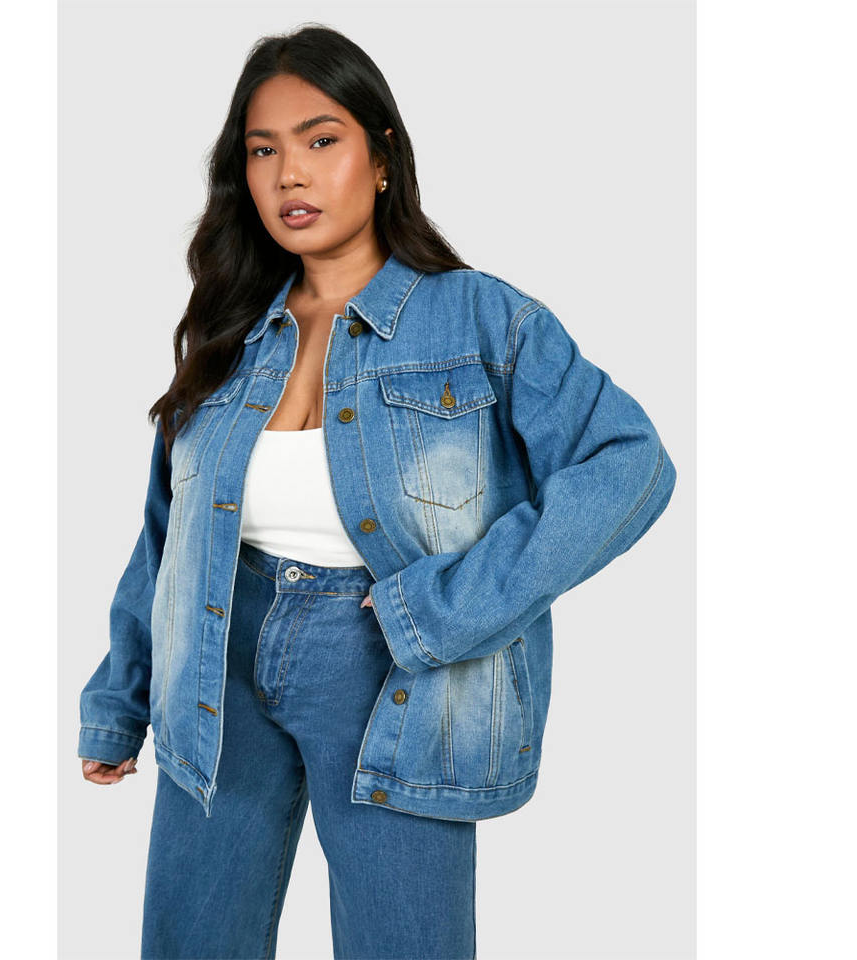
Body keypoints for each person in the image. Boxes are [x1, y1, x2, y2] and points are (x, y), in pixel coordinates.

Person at [76, 23, 677, 960]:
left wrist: (447, 607)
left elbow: (629, 463)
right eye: (263, 151)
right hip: (216, 666)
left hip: (393, 670)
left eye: (321, 140)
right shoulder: (232, 330)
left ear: (383, 156)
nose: (290, 174)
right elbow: (169, 533)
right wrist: (122, 695)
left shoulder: (480, 317)